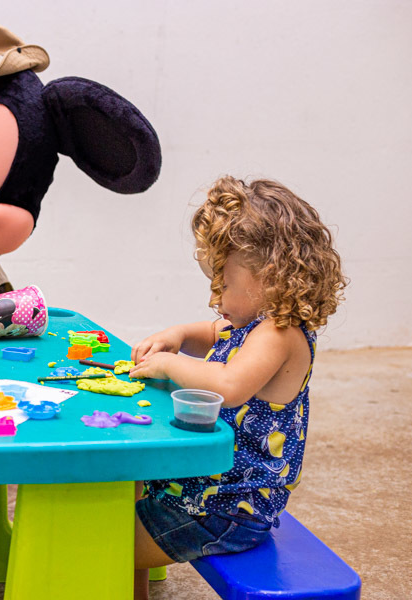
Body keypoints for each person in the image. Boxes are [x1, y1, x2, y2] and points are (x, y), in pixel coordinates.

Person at [128, 175, 347, 599]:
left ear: (268, 276)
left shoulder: (279, 334)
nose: (217, 299)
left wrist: (171, 363)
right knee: (123, 491)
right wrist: (177, 335)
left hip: (228, 508)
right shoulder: (255, 324)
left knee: (103, 542)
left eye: (224, 285)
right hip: (208, 490)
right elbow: (212, 331)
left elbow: (229, 386)